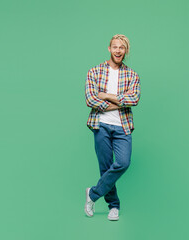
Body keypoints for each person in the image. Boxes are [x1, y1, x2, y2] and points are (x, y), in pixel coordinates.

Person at [84, 34, 141, 221]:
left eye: (122, 48)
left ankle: (92, 194)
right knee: (105, 167)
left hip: (122, 126)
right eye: (115, 47)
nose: (118, 50)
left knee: (123, 162)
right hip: (101, 125)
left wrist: (106, 95)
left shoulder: (132, 75)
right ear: (109, 48)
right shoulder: (94, 71)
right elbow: (91, 99)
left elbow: (134, 99)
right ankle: (113, 206)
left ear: (126, 51)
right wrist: (121, 100)